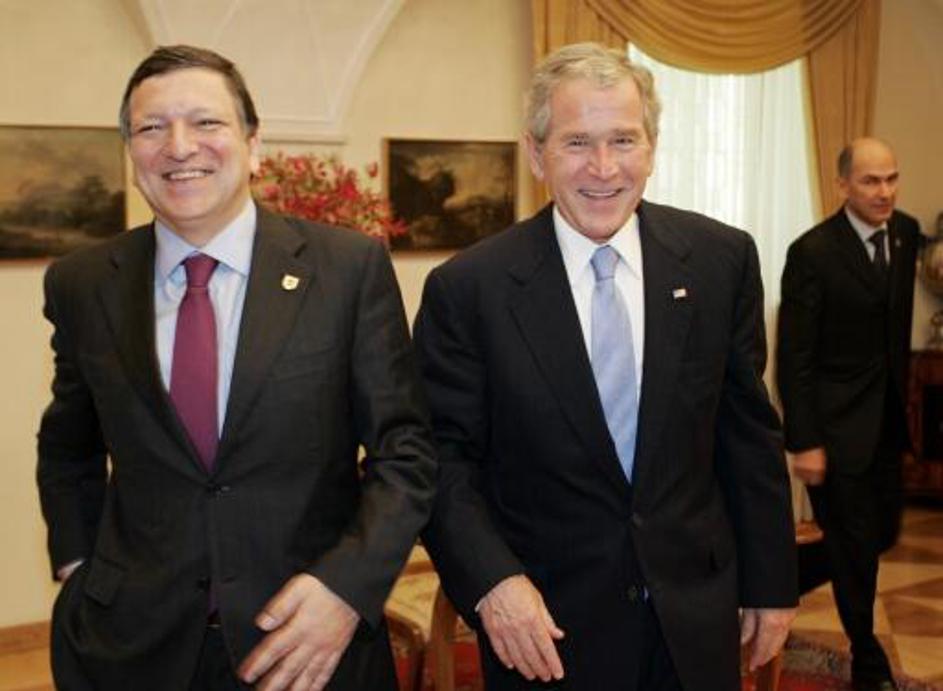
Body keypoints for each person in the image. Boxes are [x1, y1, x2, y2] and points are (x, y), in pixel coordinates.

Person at [36, 45, 436, 691]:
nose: (179, 146)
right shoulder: (82, 284)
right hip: (129, 647)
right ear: (131, 152)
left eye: (206, 122)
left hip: (309, 641)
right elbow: (68, 446)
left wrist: (346, 586)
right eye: (151, 127)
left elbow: (405, 451)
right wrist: (78, 566)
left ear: (252, 145)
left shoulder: (346, 269)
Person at [413, 42, 797, 690]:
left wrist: (770, 581)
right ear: (537, 154)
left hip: (694, 621)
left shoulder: (719, 260)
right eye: (576, 143)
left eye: (623, 140)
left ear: (651, 147)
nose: (603, 167)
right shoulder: (470, 289)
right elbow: (441, 459)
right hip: (544, 630)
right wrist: (494, 582)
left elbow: (746, 433)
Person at [777, 138, 919, 691]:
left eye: (891, 178)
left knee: (878, 534)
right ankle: (868, 661)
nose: (884, 191)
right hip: (834, 431)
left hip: (886, 424)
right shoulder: (812, 253)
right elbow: (795, 355)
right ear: (842, 185)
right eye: (870, 181)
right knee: (857, 548)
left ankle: (782, 576)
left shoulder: (906, 233)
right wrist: (804, 440)